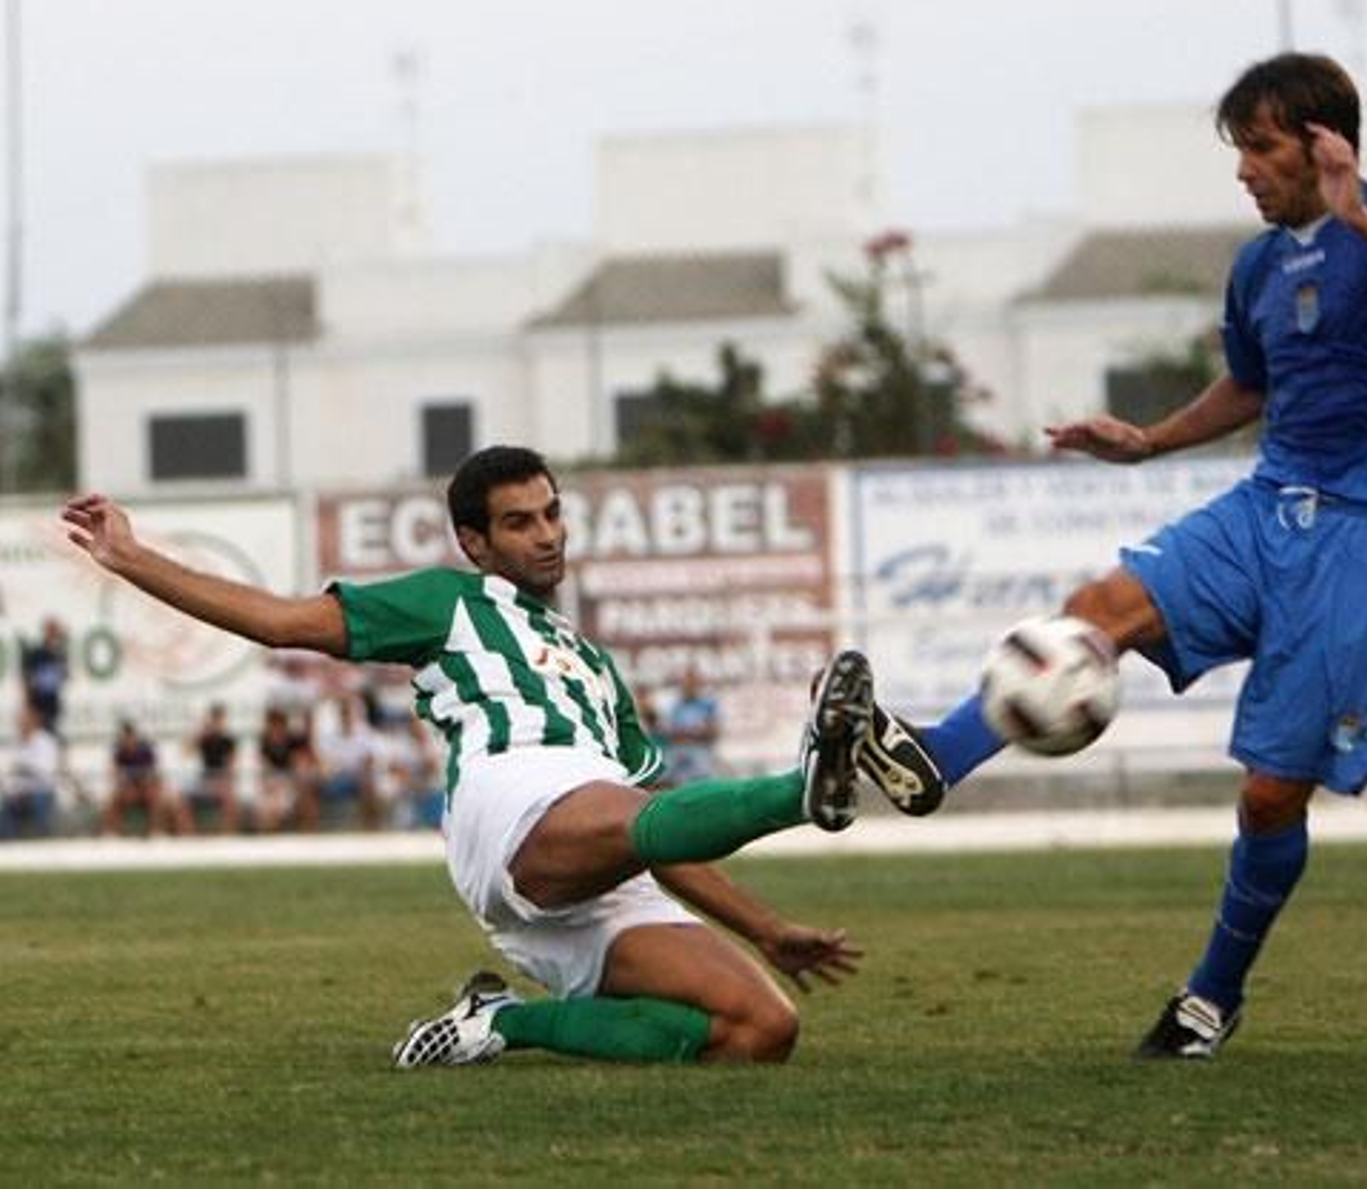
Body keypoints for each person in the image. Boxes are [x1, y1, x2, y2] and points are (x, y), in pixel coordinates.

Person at [851, 52, 1367, 1060]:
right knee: (1093, 608)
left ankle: (1209, 996)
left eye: (1260, 147)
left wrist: (1359, 213)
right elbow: (1251, 384)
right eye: (1238, 149)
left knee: (1269, 793)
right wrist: (1149, 439)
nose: (1243, 169)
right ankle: (937, 756)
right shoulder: (1257, 266)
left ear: (1325, 143)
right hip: (1265, 503)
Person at [62, 444, 881, 1068]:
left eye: (552, 514)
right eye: (520, 523)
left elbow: (662, 830)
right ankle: (801, 787)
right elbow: (278, 621)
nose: (547, 535)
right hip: (510, 796)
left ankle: (499, 1023)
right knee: (627, 815)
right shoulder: (447, 603)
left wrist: (767, 931)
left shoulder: (596, 667)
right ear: (475, 542)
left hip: (600, 851)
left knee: (761, 1030)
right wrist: (130, 557)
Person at [301, 694, 385, 831]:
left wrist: (358, 772)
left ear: (356, 714)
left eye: (348, 712)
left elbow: (370, 762)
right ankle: (309, 830)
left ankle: (371, 829)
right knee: (309, 782)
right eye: (343, 712)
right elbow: (323, 762)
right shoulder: (329, 736)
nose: (346, 716)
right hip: (335, 777)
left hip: (357, 779)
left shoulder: (367, 735)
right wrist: (326, 771)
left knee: (369, 784)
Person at [102, 718, 181, 837]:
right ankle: (112, 833)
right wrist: (123, 782)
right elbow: (113, 773)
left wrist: (147, 784)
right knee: (114, 800)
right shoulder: (119, 751)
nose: (128, 740)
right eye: (125, 737)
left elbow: (154, 773)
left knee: (154, 797)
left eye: (130, 736)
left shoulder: (145, 750)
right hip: (128, 788)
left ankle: (155, 832)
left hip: (146, 787)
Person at [175, 701, 243, 834]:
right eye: (215, 719)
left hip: (220, 779)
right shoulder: (204, 738)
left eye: (219, 719)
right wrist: (200, 732)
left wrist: (224, 781)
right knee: (182, 799)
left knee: (230, 800)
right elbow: (185, 752)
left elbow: (231, 766)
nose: (217, 723)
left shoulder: (228, 740)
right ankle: (189, 836)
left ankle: (227, 835)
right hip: (205, 779)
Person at [1, 703, 62, 839]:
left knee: (38, 802)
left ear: (34, 721)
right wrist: (12, 791)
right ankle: (9, 845)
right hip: (19, 793)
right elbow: (9, 774)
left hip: (41, 791)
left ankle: (44, 839)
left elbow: (46, 773)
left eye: (24, 720)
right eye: (20, 721)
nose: (21, 724)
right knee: (7, 804)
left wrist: (25, 767)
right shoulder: (16, 743)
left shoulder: (46, 742)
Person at [662, 667, 722, 784]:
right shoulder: (676, 705)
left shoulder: (708, 704)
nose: (688, 686)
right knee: (664, 774)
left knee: (703, 772)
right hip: (678, 750)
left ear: (698, 685)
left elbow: (713, 731)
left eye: (692, 683)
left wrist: (687, 733)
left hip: (700, 750)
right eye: (685, 683)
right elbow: (669, 732)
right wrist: (693, 732)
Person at [21, 616, 69, 734]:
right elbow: (28, 678)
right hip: (37, 704)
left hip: (52, 705)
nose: (54, 635)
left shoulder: (60, 654)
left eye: (55, 632)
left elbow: (63, 677)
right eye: (51, 631)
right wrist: (29, 705)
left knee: (50, 734)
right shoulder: (36, 653)